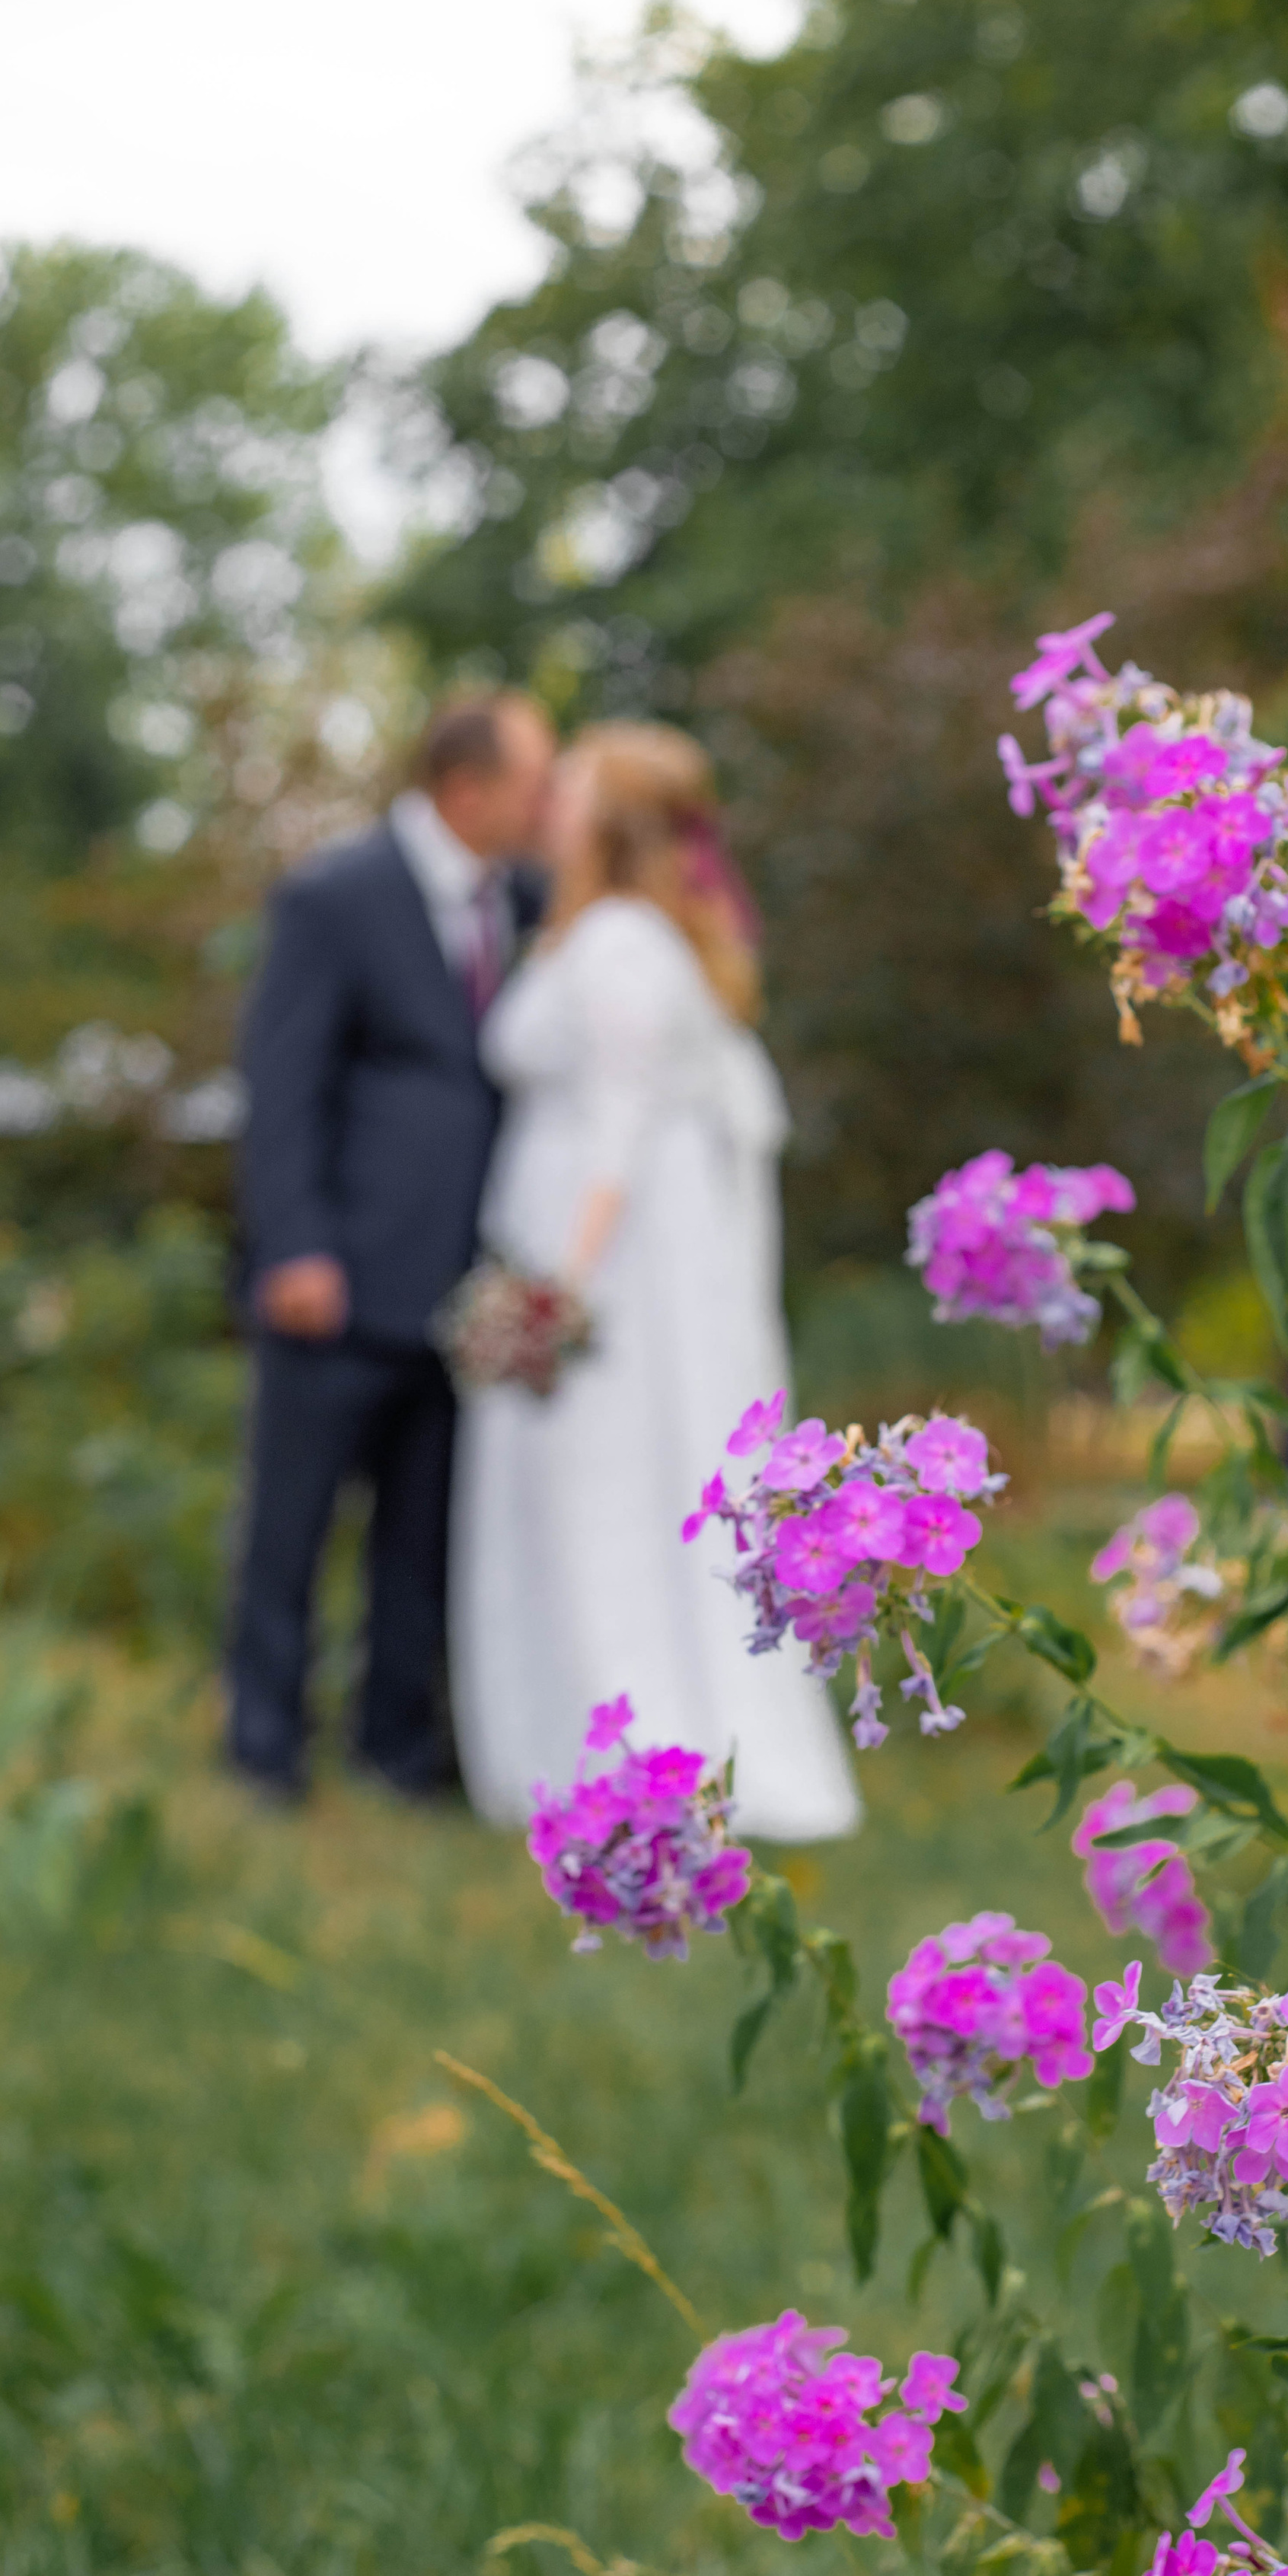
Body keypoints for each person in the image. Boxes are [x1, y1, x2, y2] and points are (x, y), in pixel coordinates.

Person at [451, 720, 860, 1841]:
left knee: (610, 1494)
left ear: (607, 818)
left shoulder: (626, 942)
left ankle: (634, 1752)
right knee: (573, 1495)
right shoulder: (596, 933)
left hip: (613, 1276)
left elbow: (620, 1133)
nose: (548, 801)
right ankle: (565, 1743)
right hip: (577, 1252)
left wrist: (558, 1291)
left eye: (569, 786)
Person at [227, 693, 556, 1803]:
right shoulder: (336, 896)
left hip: (467, 1287)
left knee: (424, 1539)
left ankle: (399, 1749)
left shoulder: (527, 900)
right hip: (342, 1276)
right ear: (467, 789)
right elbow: (283, 1087)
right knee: (293, 1527)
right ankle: (264, 1750)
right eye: (531, 782)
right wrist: (297, 1247)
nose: (546, 804)